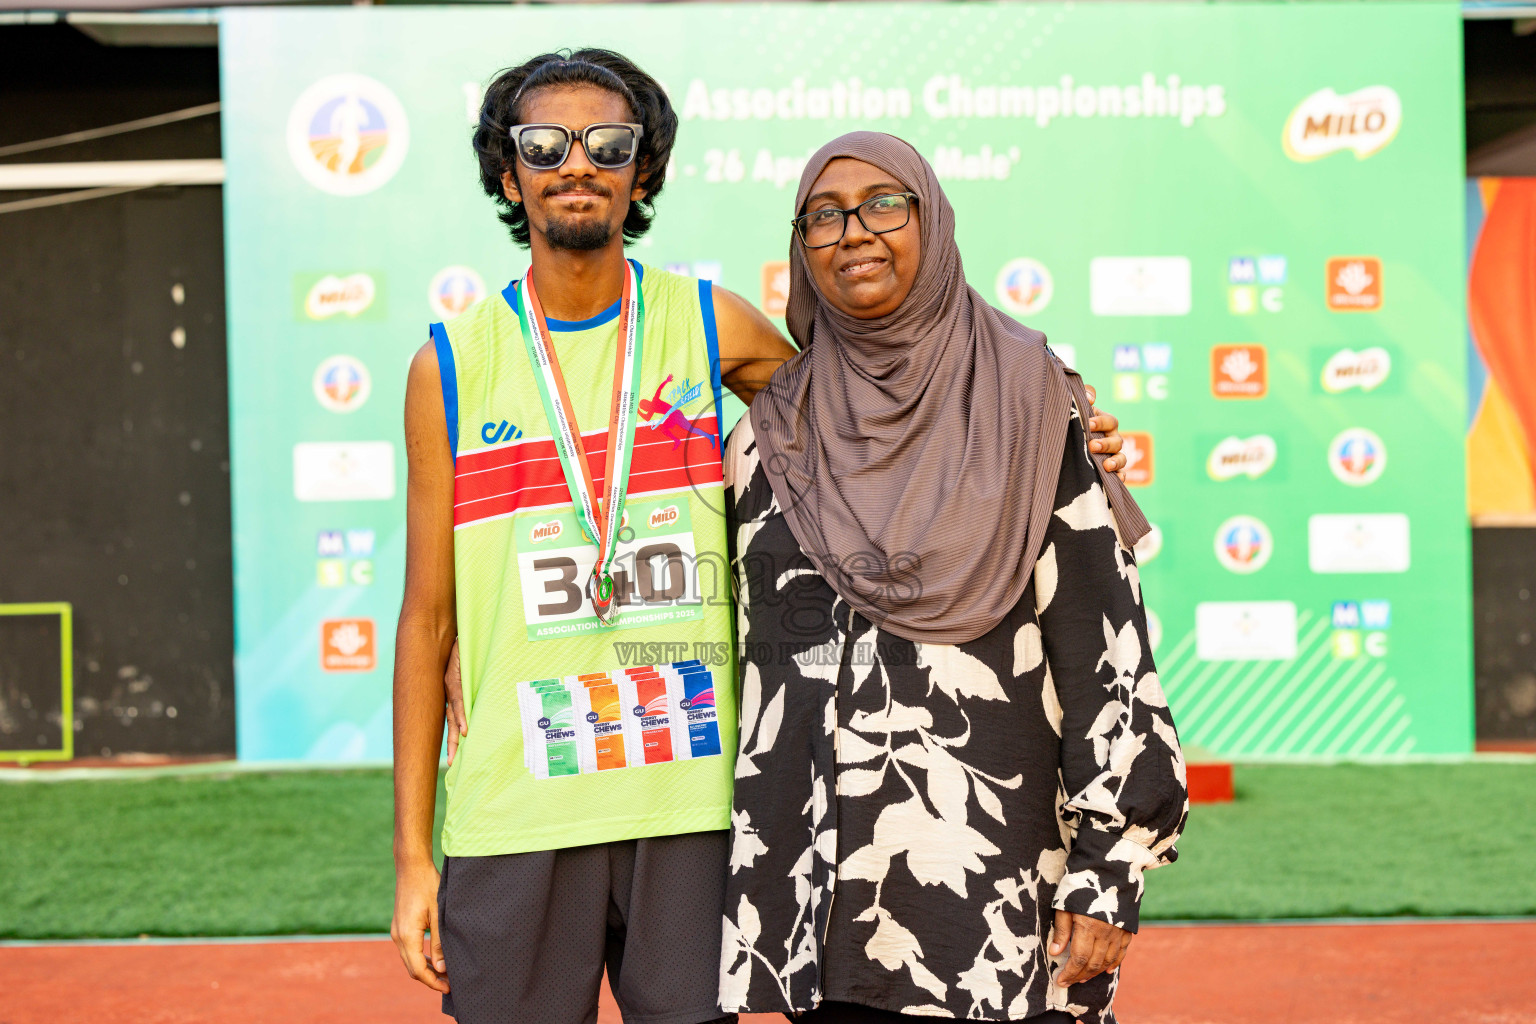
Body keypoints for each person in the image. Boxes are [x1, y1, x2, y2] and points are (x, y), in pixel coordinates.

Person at [396, 48, 1128, 1024]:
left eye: (607, 143)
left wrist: (1061, 417)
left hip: (693, 806)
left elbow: (874, 408)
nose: (578, 162)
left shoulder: (710, 326)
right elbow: (425, 616)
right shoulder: (450, 366)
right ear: (507, 171)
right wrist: (412, 853)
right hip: (519, 801)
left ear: (641, 171)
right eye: (546, 143)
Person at [716, 133, 1187, 1024]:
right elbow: (759, 658)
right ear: (799, 249)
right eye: (824, 215)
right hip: (829, 902)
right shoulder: (768, 435)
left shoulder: (1034, 402)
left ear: (933, 223)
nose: (853, 231)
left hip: (1000, 894)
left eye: (884, 205)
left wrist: (1109, 870)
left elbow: (1106, 649)